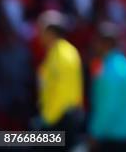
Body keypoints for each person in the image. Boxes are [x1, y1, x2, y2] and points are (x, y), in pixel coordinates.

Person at [36, 10, 85, 150]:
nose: (39, 34)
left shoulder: (62, 55)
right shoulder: (60, 52)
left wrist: (46, 120)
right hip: (61, 119)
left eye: (41, 29)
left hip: (59, 121)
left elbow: (61, 93)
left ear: (50, 32)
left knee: (8, 140)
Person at [88, 22, 126, 151]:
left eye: (97, 41)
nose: (94, 45)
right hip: (124, 134)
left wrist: (95, 133)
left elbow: (107, 105)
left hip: (110, 138)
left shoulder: (109, 70)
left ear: (106, 43)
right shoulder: (123, 63)